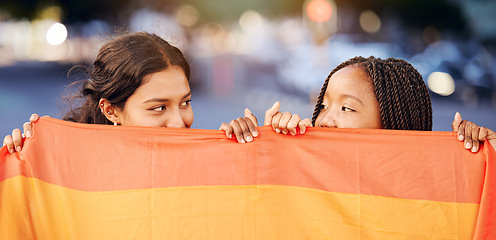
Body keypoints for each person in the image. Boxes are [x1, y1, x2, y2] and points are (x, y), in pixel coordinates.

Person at [3, 32, 258, 153]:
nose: (180, 123)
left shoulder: (208, 159)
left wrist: (256, 148)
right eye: (158, 107)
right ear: (111, 110)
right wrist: (21, 163)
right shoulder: (69, 168)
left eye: (185, 102)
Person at [264, 56, 495, 152]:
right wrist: (266, 149)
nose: (324, 120)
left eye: (346, 108)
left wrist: (485, 157)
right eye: (323, 106)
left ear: (393, 124)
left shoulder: (433, 190)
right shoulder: (308, 177)